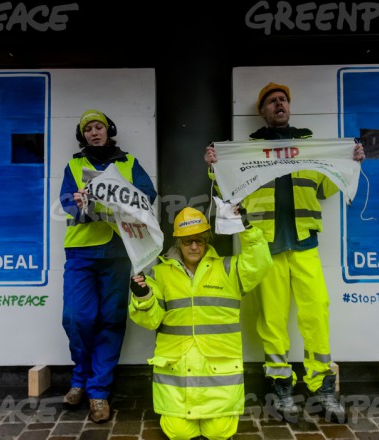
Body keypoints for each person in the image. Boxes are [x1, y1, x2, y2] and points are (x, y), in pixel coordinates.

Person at [203, 82, 365, 423]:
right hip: (266, 245)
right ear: (262, 112)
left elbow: (324, 186)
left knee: (316, 314)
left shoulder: (309, 146)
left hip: (304, 242)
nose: (279, 104)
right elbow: (228, 190)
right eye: (272, 101)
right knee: (272, 320)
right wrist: (214, 166)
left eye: (283, 100)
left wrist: (350, 164)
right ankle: (281, 386)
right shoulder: (248, 150)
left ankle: (323, 388)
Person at [129, 207, 271, 440]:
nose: (194, 246)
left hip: (218, 374)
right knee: (179, 434)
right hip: (177, 372)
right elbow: (150, 319)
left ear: (206, 240)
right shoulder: (159, 273)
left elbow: (260, 262)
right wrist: (142, 296)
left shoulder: (229, 268)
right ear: (178, 242)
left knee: (219, 433)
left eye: (199, 240)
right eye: (187, 241)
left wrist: (246, 228)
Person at [60, 109, 158, 423]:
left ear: (108, 130)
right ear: (83, 135)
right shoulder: (75, 165)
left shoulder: (128, 163)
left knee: (111, 320)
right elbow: (62, 201)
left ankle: (98, 391)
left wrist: (125, 201)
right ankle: (80, 379)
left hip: (118, 251)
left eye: (98, 126)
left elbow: (148, 195)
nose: (94, 132)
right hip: (81, 251)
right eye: (87, 128)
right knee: (77, 317)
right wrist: (73, 201)